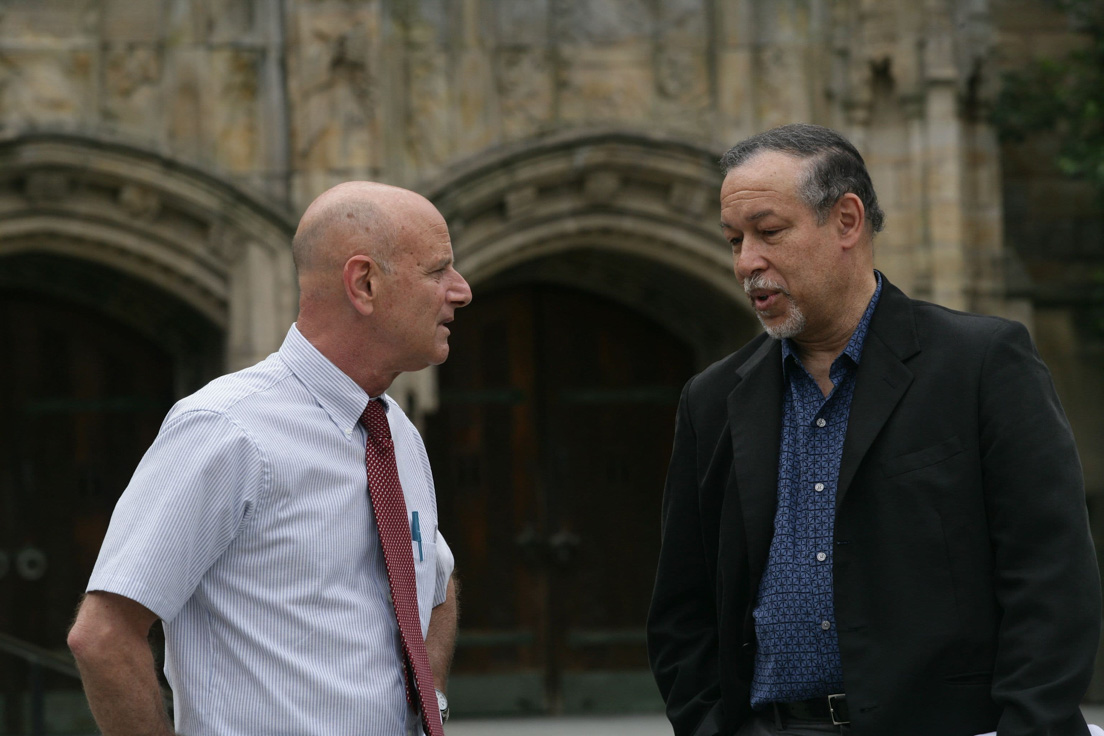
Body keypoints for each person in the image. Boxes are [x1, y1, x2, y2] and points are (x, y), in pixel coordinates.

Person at [646, 123, 1101, 736]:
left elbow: (1052, 577)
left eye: (769, 232)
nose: (747, 261)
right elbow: (683, 609)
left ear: (848, 221)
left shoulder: (982, 363)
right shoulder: (713, 399)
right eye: (734, 240)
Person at [67, 182, 472, 736]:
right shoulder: (225, 428)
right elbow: (103, 636)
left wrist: (433, 705)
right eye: (437, 272)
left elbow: (437, 584)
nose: (462, 290)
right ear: (365, 283)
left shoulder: (393, 432)